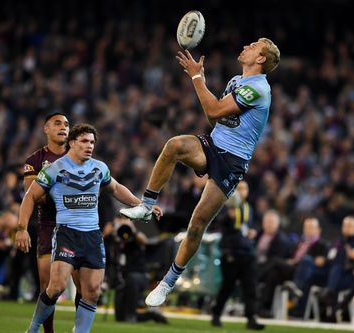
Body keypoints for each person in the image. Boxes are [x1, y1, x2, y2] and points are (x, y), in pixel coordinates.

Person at [119, 38, 280, 307]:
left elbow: (213, 109)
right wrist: (201, 82)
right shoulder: (236, 80)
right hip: (214, 144)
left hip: (233, 161)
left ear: (261, 59)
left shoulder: (259, 89)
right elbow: (213, 118)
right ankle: (147, 205)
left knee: (196, 225)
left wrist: (197, 77)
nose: (246, 46)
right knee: (175, 145)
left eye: (253, 46)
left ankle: (167, 282)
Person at [15, 124, 163, 333]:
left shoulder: (99, 168)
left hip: (92, 237)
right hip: (67, 233)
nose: (89, 146)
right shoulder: (55, 169)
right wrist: (21, 228)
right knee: (56, 287)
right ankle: (32, 329)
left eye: (92, 142)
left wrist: (142, 205)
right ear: (72, 142)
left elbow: (116, 189)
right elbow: (30, 196)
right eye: (84, 141)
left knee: (92, 292)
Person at [21, 112, 72, 332]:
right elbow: (33, 195)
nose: (63, 127)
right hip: (48, 225)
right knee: (48, 285)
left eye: (67, 124)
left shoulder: (78, 155)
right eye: (58, 123)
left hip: (76, 224)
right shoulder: (34, 161)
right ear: (46, 129)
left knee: (85, 286)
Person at [211, 180, 265, 330]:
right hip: (231, 252)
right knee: (227, 286)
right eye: (239, 188)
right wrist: (228, 217)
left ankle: (251, 318)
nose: (242, 192)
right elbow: (218, 223)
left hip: (247, 252)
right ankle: (216, 314)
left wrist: (253, 232)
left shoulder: (249, 208)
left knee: (250, 287)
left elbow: (250, 225)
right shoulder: (226, 206)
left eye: (244, 189)